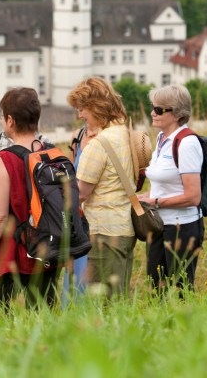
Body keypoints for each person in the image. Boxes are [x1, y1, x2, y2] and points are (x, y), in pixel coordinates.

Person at [0, 88, 59, 311]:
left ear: (10, 120)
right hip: (46, 250)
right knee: (44, 319)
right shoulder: (52, 154)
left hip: (11, 251)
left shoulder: (6, 158)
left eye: (2, 116)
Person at [67, 77, 136, 299]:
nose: (80, 115)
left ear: (96, 107)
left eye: (82, 109)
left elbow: (81, 192)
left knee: (103, 303)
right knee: (119, 299)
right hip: (124, 227)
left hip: (103, 232)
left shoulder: (98, 144)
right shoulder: (124, 133)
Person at [137, 85, 204, 296]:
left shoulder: (187, 143)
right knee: (157, 289)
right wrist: (141, 198)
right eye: (152, 107)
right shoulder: (161, 139)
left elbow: (193, 196)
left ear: (175, 114)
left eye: (158, 109)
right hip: (159, 225)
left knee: (180, 292)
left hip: (181, 228)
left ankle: (183, 329)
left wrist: (156, 203)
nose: (152, 113)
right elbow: (162, 187)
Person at [60, 124, 90, 305]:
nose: (79, 114)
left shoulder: (110, 136)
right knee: (75, 275)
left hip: (100, 214)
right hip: (77, 215)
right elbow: (69, 173)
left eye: (82, 108)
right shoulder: (78, 136)